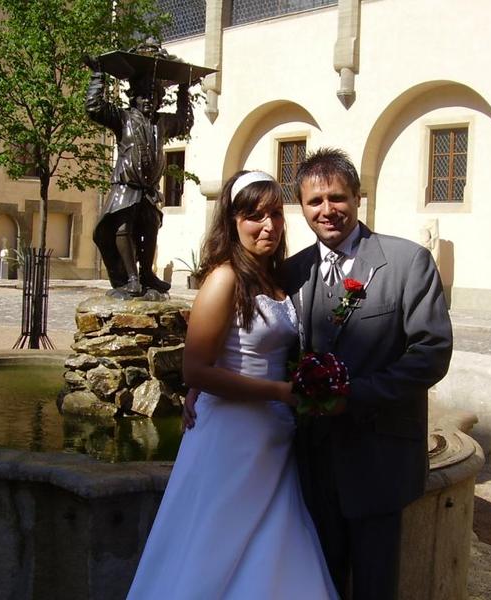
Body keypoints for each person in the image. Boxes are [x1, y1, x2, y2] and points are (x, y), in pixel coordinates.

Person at [127, 170, 338, 599]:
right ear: (232, 221)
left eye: (275, 214)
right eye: (254, 216)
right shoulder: (225, 278)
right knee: (214, 545)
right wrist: (279, 392)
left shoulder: (273, 278)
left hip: (274, 436)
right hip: (232, 435)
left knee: (274, 543)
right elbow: (194, 370)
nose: (268, 226)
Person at [282, 147, 453, 599]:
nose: (327, 210)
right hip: (313, 461)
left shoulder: (407, 262)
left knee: (376, 587)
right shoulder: (292, 272)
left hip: (379, 459)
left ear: (358, 197)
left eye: (337, 197)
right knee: (321, 584)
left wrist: (355, 396)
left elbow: (431, 352)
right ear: (301, 207)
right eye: (314, 201)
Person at [84, 42, 193, 299]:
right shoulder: (122, 118)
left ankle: (146, 274)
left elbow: (184, 122)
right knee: (122, 228)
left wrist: (183, 90)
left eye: (153, 97)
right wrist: (98, 76)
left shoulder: (161, 123)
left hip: (149, 190)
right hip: (126, 185)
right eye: (143, 96)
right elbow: (94, 107)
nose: (148, 101)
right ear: (134, 97)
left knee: (151, 227)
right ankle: (131, 278)